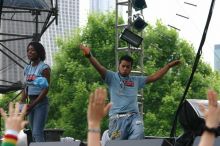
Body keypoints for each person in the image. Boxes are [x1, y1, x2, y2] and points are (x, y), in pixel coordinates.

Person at [80, 44, 181, 141]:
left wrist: (168, 66)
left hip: (134, 117)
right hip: (117, 119)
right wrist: (89, 56)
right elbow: (99, 68)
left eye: (128, 67)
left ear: (131, 68)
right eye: (123, 66)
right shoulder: (111, 77)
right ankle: (107, 137)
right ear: (119, 65)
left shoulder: (136, 80)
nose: (125, 69)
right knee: (118, 143)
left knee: (139, 133)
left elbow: (154, 77)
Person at [19, 41, 50, 142]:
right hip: (30, 103)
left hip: (41, 103)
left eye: (32, 50)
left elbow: (46, 89)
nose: (29, 52)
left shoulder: (44, 68)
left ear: (39, 52)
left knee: (37, 132)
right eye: (28, 50)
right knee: (33, 133)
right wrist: (21, 105)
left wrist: (33, 104)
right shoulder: (27, 68)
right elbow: (25, 88)